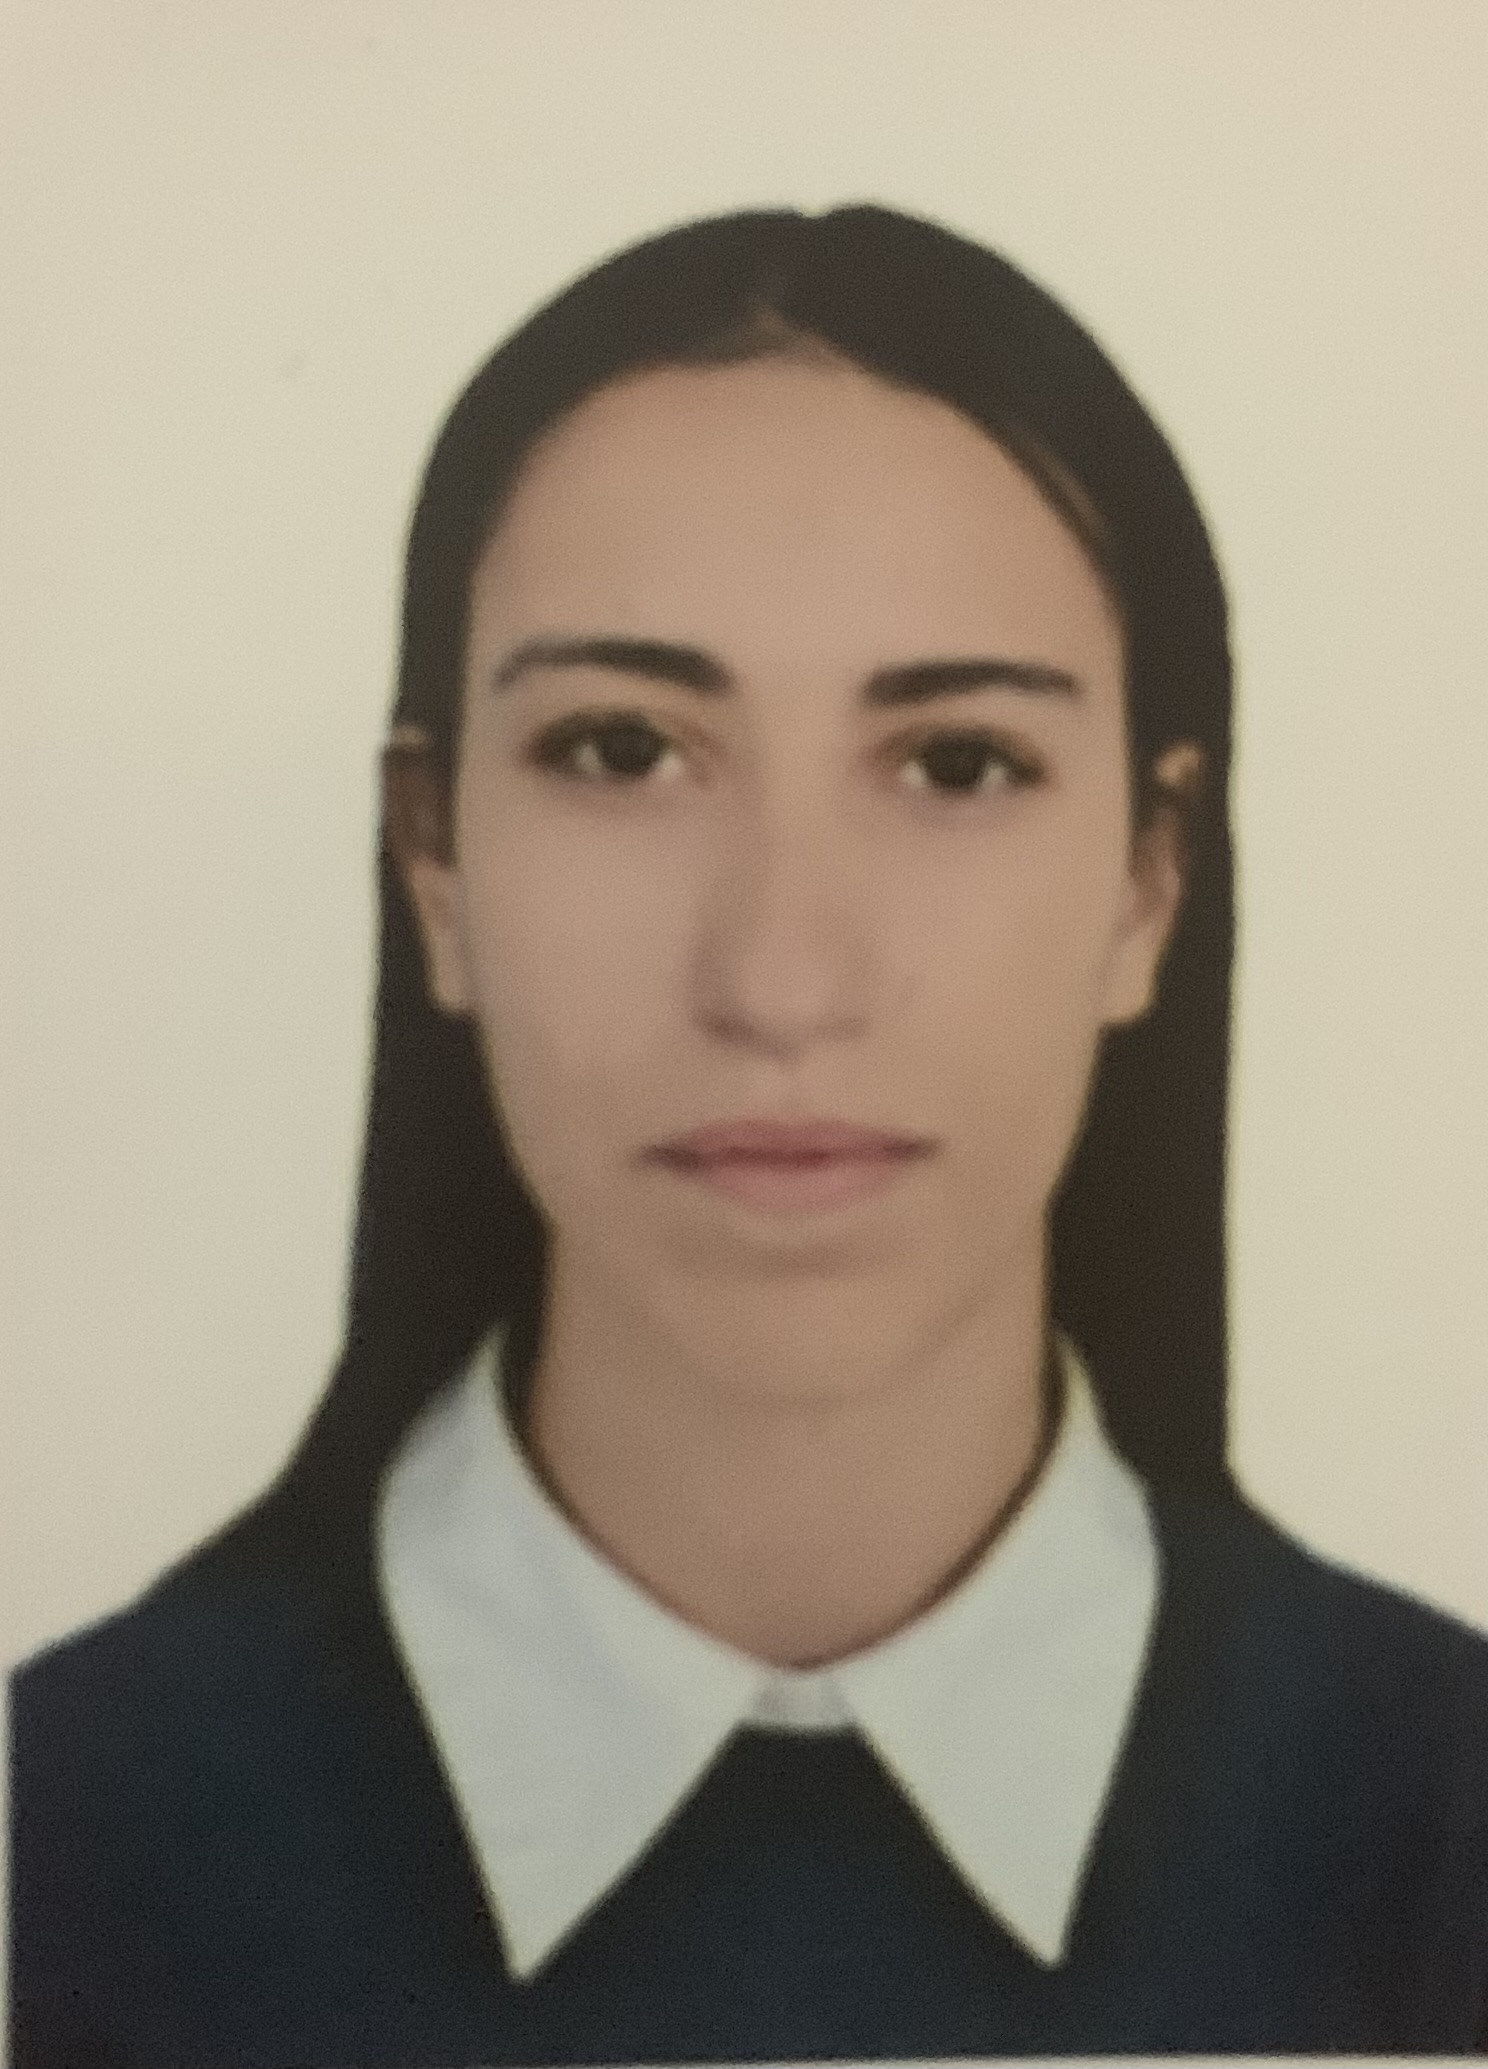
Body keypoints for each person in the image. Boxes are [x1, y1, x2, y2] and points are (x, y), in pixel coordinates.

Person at [9, 203, 1487, 2064]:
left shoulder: (1439, 1836)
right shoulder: (55, 1850)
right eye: (622, 751)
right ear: (434, 860)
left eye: (957, 763)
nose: (781, 978)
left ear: (1149, 881)